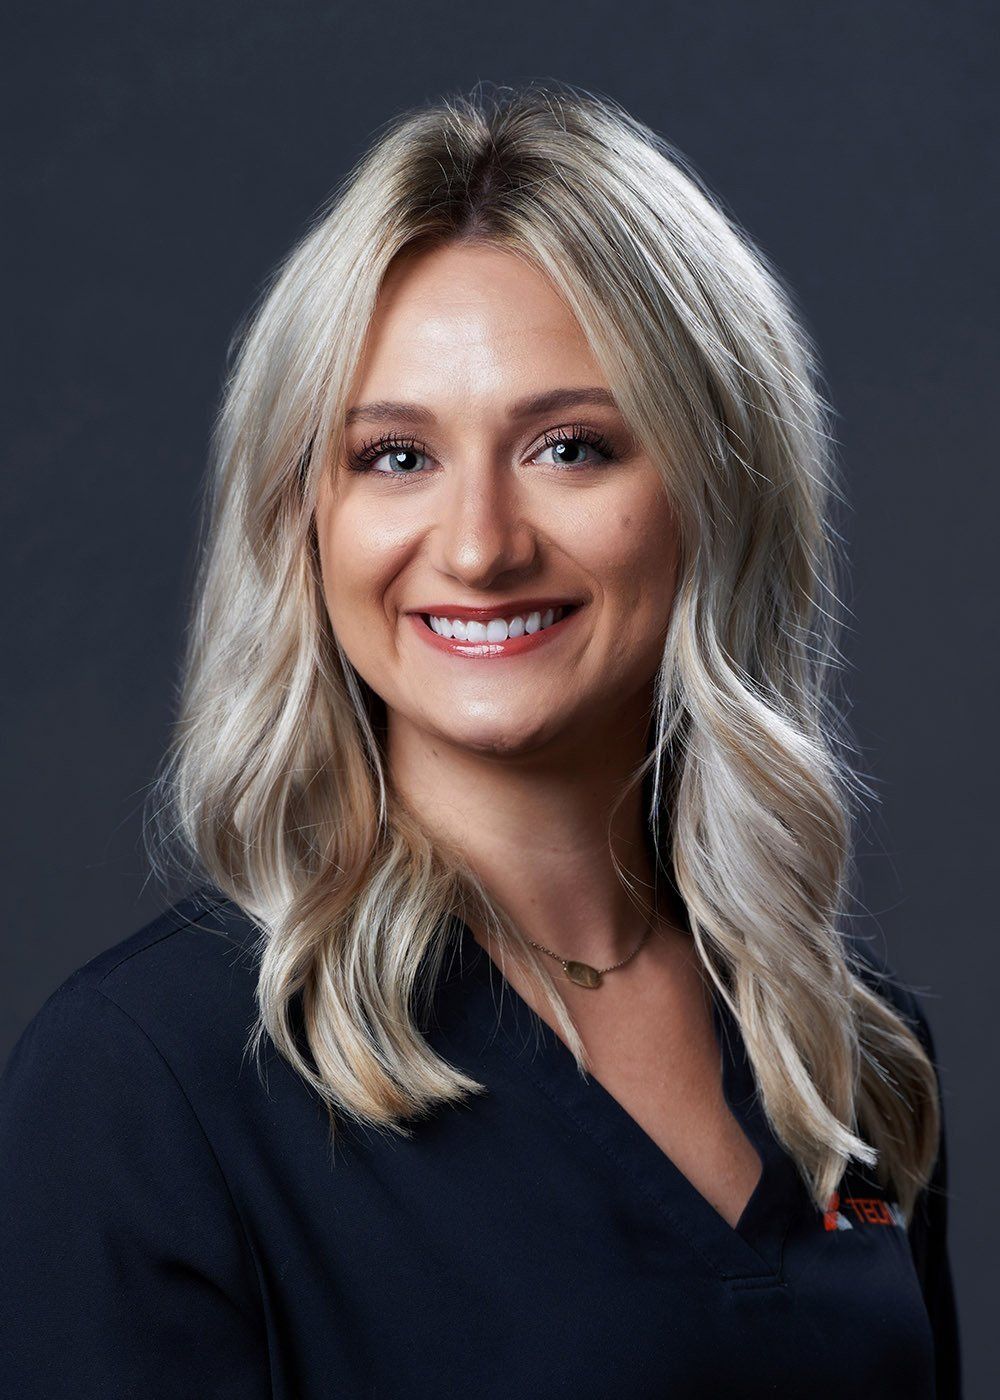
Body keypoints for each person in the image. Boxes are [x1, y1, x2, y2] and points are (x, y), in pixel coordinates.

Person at [0, 84, 961, 1397]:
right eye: (397, 458)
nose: (479, 546)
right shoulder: (147, 1081)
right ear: (304, 520)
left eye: (570, 448)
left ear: (712, 493)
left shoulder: (848, 1046)